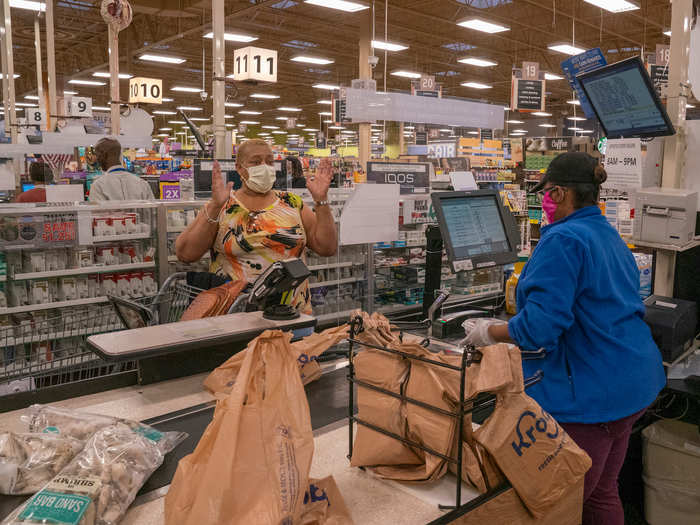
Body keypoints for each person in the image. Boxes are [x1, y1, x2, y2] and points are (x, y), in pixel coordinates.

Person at [463, 152, 665, 525]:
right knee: (602, 493)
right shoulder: (606, 233)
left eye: (547, 194)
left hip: (591, 396)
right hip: (635, 383)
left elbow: (539, 328)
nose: (544, 201)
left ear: (558, 193)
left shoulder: (563, 239)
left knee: (556, 504)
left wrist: (486, 333)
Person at [175, 139, 337, 314]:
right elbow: (185, 254)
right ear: (239, 168)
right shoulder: (222, 204)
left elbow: (327, 248)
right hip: (234, 316)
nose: (265, 166)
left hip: (292, 315)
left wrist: (321, 200)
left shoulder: (291, 203)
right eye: (255, 161)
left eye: (269, 161)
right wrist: (214, 206)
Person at [88, 137, 154, 201]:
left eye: (97, 155)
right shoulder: (142, 184)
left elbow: (98, 212)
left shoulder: (98, 186)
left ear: (103, 155)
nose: (97, 159)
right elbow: (152, 211)